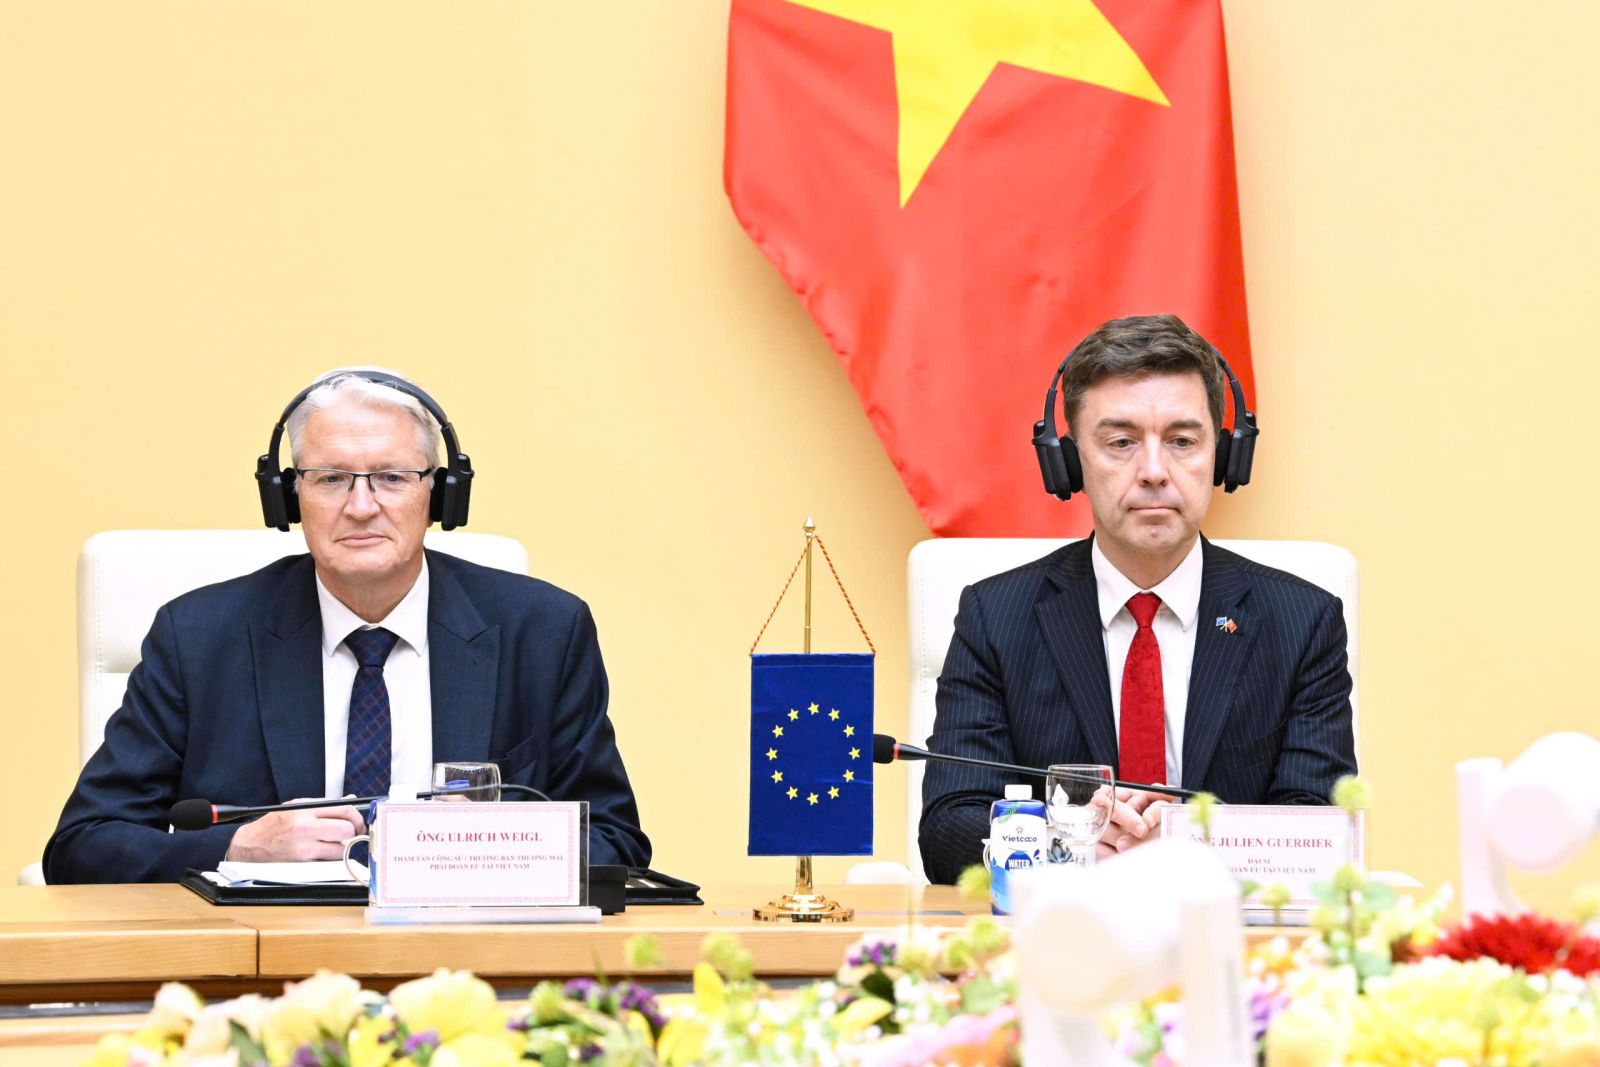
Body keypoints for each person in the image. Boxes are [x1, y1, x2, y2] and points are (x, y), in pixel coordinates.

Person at [45, 369, 650, 882]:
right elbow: (82, 847)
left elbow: (615, 843)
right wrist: (237, 846)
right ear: (289, 498)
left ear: (439, 497)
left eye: (391, 477)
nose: (361, 506)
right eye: (331, 478)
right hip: (266, 958)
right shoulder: (198, 638)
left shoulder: (543, 633)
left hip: (467, 953)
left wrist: (474, 853)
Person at [919, 315, 1355, 884]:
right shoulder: (996, 618)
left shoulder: (1302, 622)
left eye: (1182, 441)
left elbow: (1321, 830)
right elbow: (947, 828)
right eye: (1121, 442)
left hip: (1225, 930)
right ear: (1070, 462)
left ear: (1223, 456)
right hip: (1061, 930)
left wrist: (1180, 842)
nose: (1153, 472)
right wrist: (1070, 844)